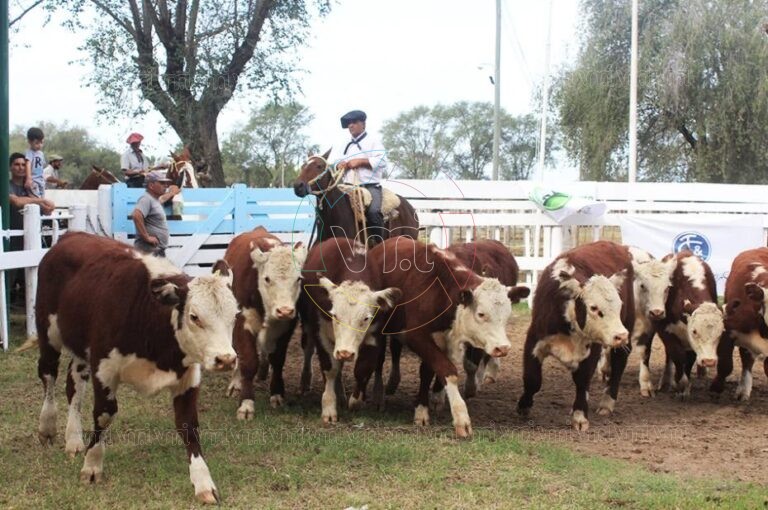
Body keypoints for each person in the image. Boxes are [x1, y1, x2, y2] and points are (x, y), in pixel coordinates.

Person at [332, 109, 388, 244]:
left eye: (354, 122)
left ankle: (379, 243)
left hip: (370, 187)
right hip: (347, 186)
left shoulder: (374, 141)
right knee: (332, 208)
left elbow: (383, 161)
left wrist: (361, 162)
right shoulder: (344, 144)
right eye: (349, 123)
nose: (351, 125)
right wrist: (339, 165)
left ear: (363, 124)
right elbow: (335, 161)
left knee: (373, 212)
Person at [8, 152, 56, 306]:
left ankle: (25, 305)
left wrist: (46, 206)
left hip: (30, 236)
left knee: (29, 273)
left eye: (23, 165)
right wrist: (41, 201)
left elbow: (45, 210)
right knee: (10, 273)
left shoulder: (31, 188)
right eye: (17, 164)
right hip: (11, 236)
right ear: (10, 167)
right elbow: (16, 201)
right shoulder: (6, 185)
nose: (21, 168)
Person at [132, 171, 178, 256]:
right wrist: (146, 237)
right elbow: (136, 215)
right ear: (151, 185)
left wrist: (171, 193)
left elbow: (162, 199)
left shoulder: (154, 200)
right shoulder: (146, 199)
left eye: (166, 183)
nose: (166, 185)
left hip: (154, 250)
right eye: (162, 183)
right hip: (148, 250)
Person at [24, 127, 47, 197]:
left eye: (41, 142)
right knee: (36, 198)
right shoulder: (29, 152)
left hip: (41, 180)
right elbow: (28, 164)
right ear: (29, 142)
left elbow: (42, 166)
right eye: (37, 143)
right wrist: (28, 178)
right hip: (33, 180)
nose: (40, 145)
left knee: (42, 198)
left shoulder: (41, 153)